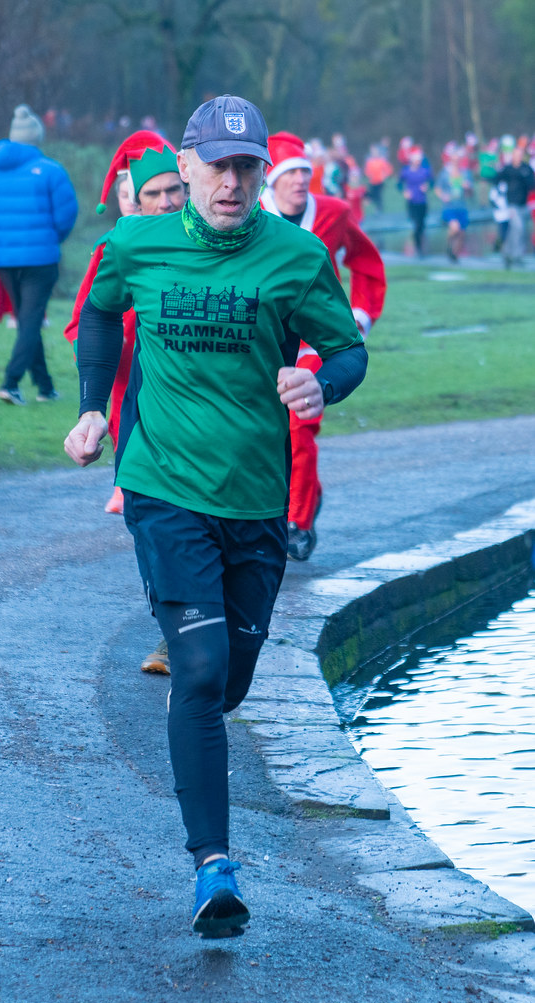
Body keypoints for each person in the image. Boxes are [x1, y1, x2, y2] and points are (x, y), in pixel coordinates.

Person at [63, 95, 367, 938]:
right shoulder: (135, 243)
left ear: (258, 175)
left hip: (255, 501)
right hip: (164, 489)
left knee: (226, 681)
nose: (231, 182)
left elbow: (346, 348)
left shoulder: (296, 257)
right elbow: (97, 314)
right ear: (184, 166)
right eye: (217, 165)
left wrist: (321, 382)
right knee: (196, 673)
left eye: (246, 168)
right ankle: (213, 870)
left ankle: (206, 788)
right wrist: (94, 410)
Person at [260, 131, 385, 561]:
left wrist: (362, 313)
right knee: (264, 427)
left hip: (316, 338)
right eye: (289, 174)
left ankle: (298, 522)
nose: (299, 182)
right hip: (265, 340)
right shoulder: (250, 218)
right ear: (270, 181)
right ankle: (282, 506)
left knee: (301, 421)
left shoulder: (332, 212)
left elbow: (366, 260)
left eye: (304, 174)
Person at [64, 130, 186, 516]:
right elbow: (85, 322)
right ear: (134, 201)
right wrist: (101, 364)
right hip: (130, 395)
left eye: (174, 191)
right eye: (153, 194)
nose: (166, 203)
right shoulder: (112, 250)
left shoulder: (211, 241)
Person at [0, 104, 78, 405]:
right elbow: (67, 215)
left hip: (3, 261)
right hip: (41, 260)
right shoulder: (51, 170)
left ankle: (45, 387)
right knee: (29, 321)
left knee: (27, 320)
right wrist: (53, 239)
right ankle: (10, 383)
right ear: (35, 138)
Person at [494, 146, 535, 268]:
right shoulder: (508, 169)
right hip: (512, 204)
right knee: (519, 227)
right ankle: (516, 255)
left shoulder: (526, 169)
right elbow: (496, 179)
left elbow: (532, 185)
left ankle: (507, 252)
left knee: (517, 231)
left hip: (524, 204)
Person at [434, 152, 471, 263]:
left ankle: (454, 254)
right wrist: (443, 196)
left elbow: (470, 193)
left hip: (462, 207)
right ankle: (449, 245)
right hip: (449, 207)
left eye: (457, 160)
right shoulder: (445, 173)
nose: (455, 162)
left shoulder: (465, 173)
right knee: (455, 228)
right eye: (453, 160)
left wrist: (467, 188)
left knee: (461, 234)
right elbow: (437, 188)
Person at [398, 146, 434, 256]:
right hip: (412, 202)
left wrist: (427, 186)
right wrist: (405, 192)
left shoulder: (425, 171)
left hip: (422, 202)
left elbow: (432, 182)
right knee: (417, 224)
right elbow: (399, 184)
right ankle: (418, 248)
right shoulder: (406, 171)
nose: (418, 161)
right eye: (416, 159)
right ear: (412, 160)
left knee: (422, 225)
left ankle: (420, 246)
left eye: (419, 159)